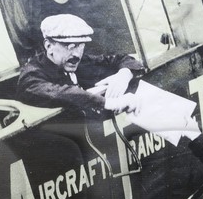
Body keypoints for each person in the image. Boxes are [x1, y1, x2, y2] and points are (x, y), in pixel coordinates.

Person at [15, 13, 144, 122]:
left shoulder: (78, 62)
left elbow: (122, 59)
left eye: (80, 46)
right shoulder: (31, 76)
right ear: (49, 46)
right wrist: (109, 103)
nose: (76, 54)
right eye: (70, 47)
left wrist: (124, 74)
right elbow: (60, 93)